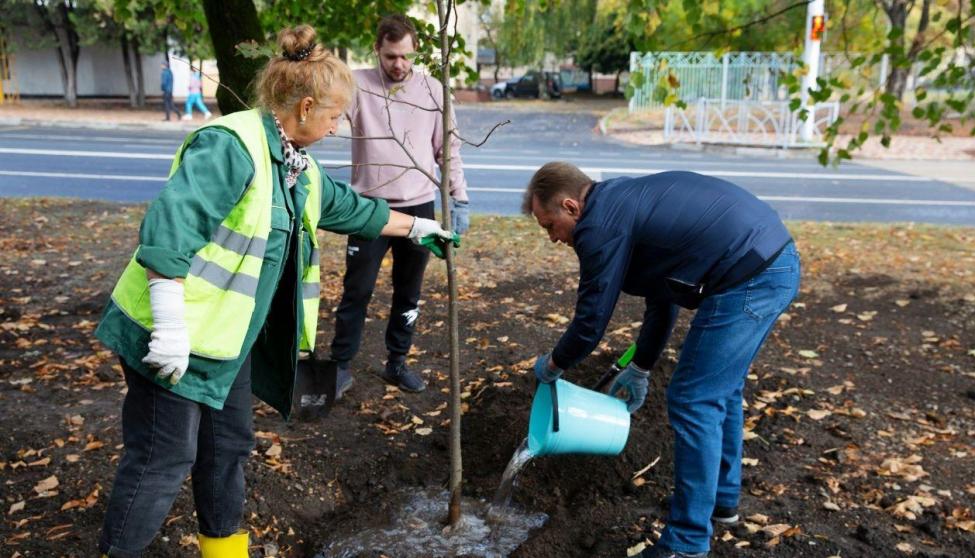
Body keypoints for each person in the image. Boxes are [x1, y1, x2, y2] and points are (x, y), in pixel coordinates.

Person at [94, 25, 454, 558]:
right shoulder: (232, 147)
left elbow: (353, 208)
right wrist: (169, 327)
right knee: (163, 458)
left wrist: (421, 229)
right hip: (168, 337)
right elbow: (169, 231)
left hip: (224, 344)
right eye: (334, 117)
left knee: (227, 451)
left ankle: (225, 552)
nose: (336, 129)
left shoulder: (296, 167)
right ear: (305, 107)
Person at [523, 163, 800, 558]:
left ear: (570, 206)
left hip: (751, 274)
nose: (553, 238)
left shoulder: (598, 226)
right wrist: (640, 366)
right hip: (769, 260)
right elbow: (663, 296)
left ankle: (686, 544)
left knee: (693, 399)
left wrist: (553, 365)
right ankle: (721, 502)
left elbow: (591, 320)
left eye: (549, 226)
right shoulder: (621, 204)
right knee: (719, 389)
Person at [328, 14, 470, 395]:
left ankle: (397, 362)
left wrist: (459, 197)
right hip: (367, 208)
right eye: (391, 56)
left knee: (409, 290)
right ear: (377, 50)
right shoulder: (356, 86)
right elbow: (325, 111)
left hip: (419, 207)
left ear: (416, 52)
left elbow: (448, 150)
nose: (399, 65)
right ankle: (340, 365)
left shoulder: (434, 91)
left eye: (406, 56)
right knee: (356, 290)